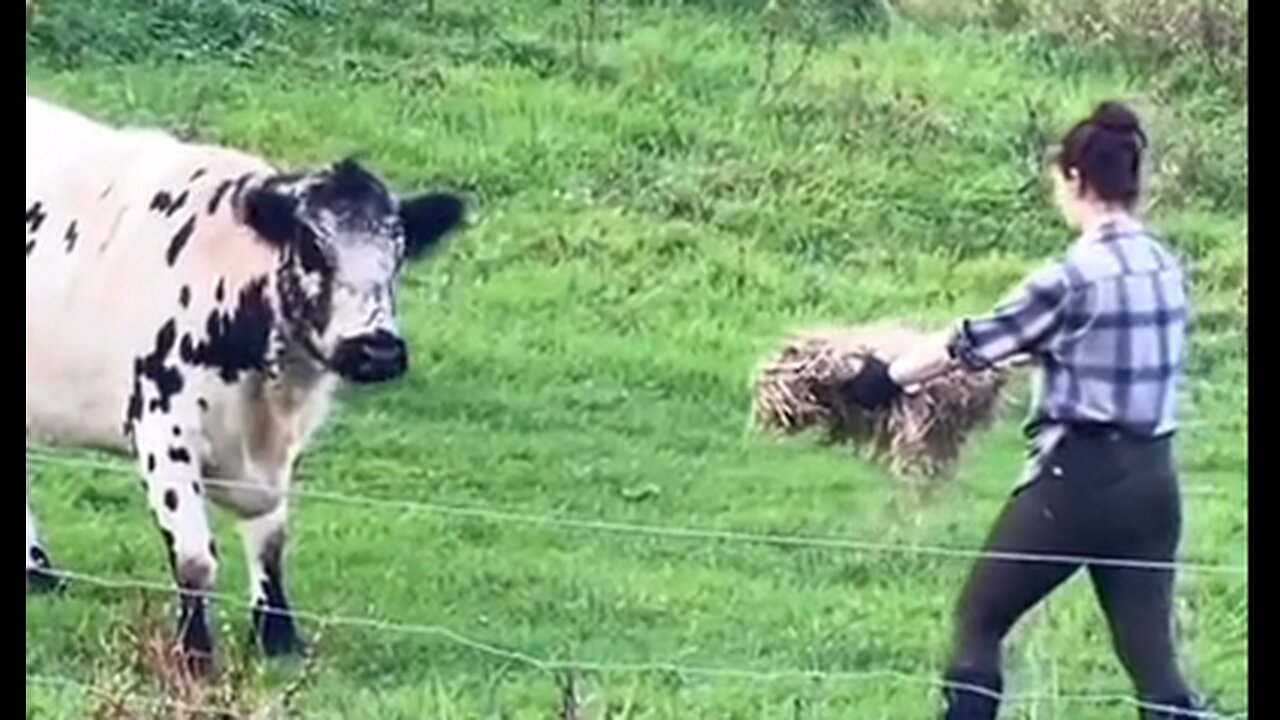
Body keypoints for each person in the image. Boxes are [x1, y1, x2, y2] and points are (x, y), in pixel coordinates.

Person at [838, 101, 1207, 719]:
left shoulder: (1071, 277)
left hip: (1080, 484)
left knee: (979, 621)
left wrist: (887, 377)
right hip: (1153, 484)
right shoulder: (1164, 266)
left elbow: (973, 341)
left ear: (1073, 179)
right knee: (1154, 664)